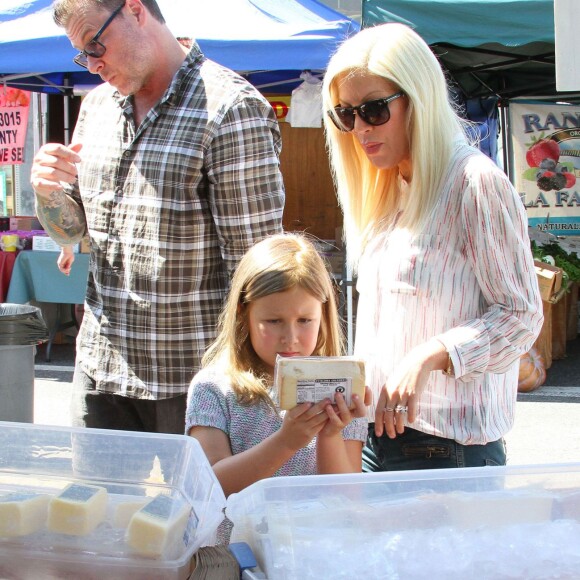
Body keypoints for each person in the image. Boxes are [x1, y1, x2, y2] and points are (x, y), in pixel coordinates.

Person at [30, 0, 285, 435]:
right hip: (101, 368)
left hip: (197, 380)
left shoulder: (229, 107)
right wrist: (46, 192)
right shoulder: (97, 108)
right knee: (96, 504)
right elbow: (75, 233)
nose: (93, 65)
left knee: (199, 506)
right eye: (82, 54)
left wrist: (257, 385)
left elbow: (257, 269)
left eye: (96, 44)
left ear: (134, 10)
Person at [321, 23, 543, 471]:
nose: (360, 129)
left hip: (448, 447)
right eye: (345, 115)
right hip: (377, 437)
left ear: (417, 99)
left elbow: (521, 316)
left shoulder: (474, 183)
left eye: (374, 110)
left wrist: (431, 353)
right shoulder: (387, 190)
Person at [186, 233, 369, 498]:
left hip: (310, 538)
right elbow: (210, 486)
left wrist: (330, 435)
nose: (290, 337)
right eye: (273, 321)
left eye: (305, 320)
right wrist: (286, 441)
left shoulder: (342, 387)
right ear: (243, 311)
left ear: (323, 314)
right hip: (237, 540)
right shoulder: (213, 388)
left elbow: (348, 498)